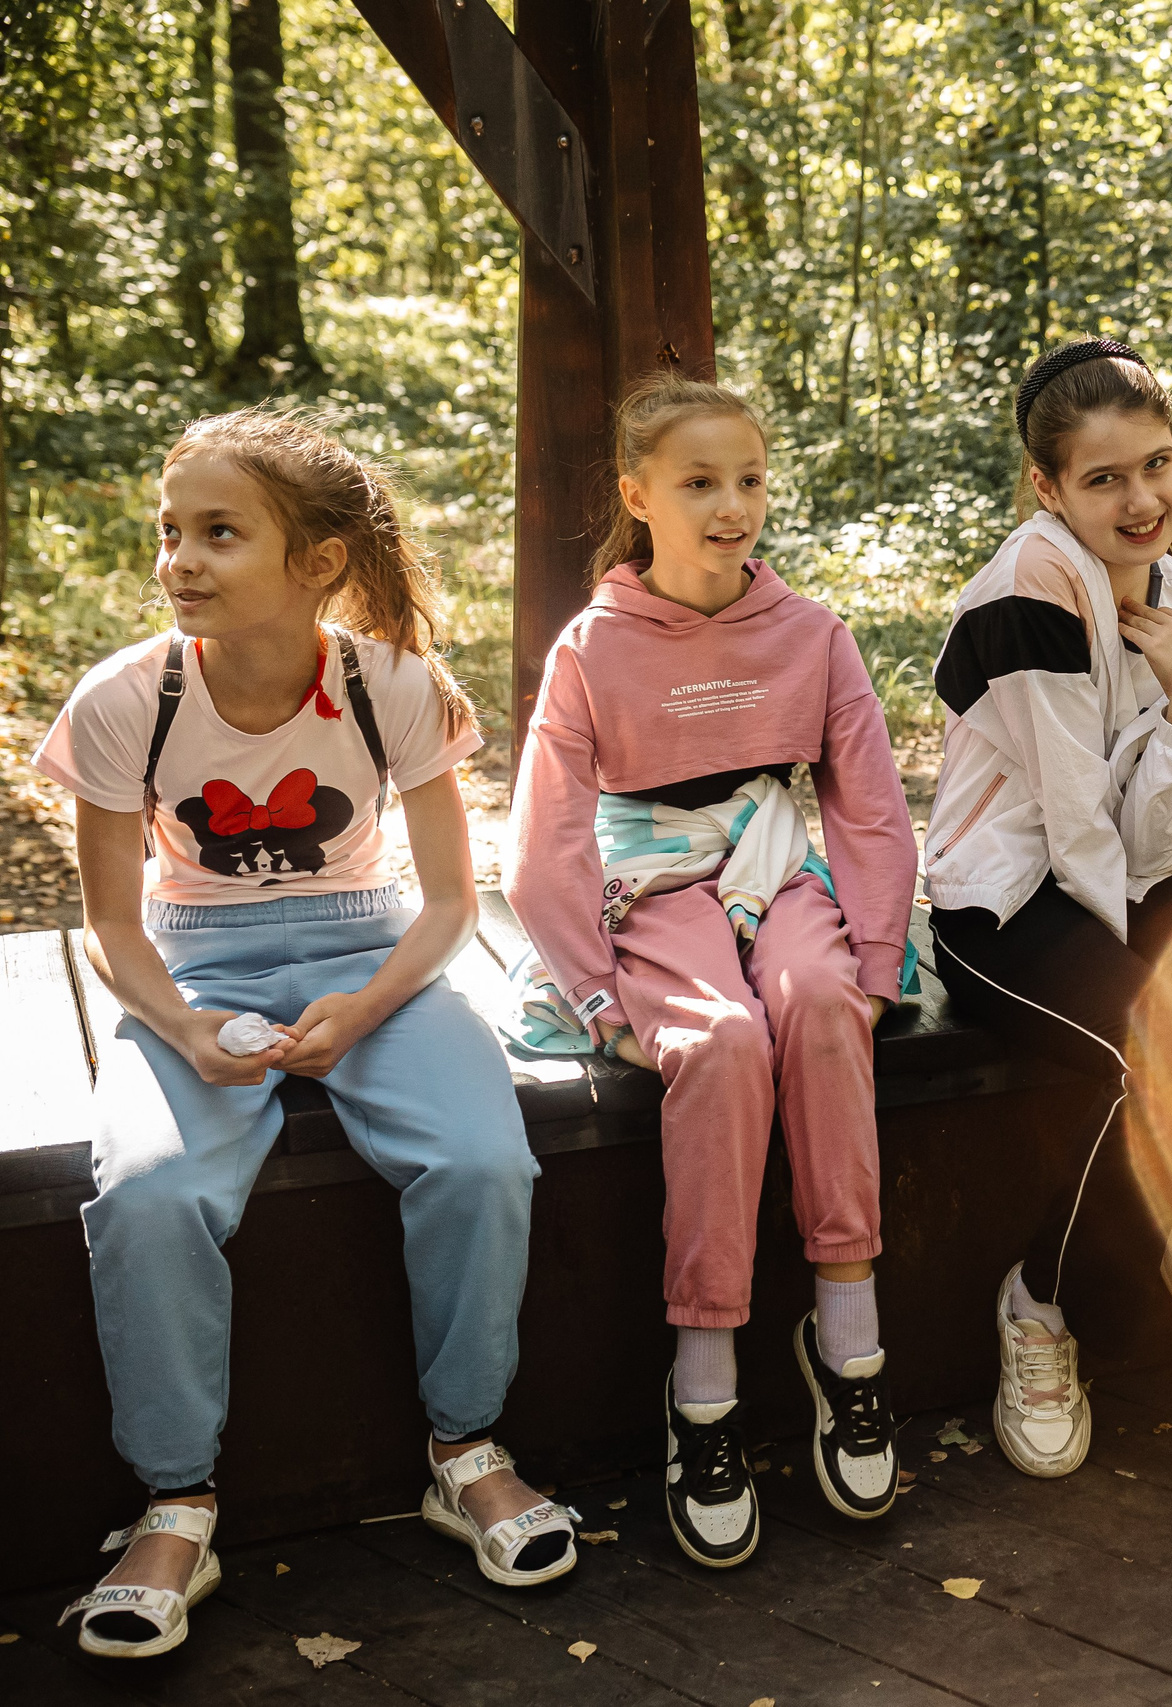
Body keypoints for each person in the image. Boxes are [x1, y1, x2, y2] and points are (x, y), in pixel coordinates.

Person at [40, 409, 563, 1656]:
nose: (180, 560)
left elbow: (446, 903)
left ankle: (465, 1446)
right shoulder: (127, 698)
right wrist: (191, 1022)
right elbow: (112, 927)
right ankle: (175, 1500)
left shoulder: (394, 690)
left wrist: (368, 1007)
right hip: (195, 965)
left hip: (371, 956)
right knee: (154, 1193)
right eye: (171, 532)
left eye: (220, 534)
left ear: (318, 561)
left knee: (485, 1159)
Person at [508, 372, 916, 1567]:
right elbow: (544, 840)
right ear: (640, 497)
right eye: (698, 482)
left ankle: (851, 1340)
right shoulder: (592, 650)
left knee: (821, 1007)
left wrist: (879, 957)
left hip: (774, 864)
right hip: (650, 891)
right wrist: (594, 993)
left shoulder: (812, 635)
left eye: (747, 478)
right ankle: (706, 1378)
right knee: (723, 1041)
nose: (730, 504)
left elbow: (874, 813)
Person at [923, 339, 1172, 1478]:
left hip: (1133, 883)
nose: (1142, 500)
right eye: (1103, 479)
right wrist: (1152, 993)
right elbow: (1077, 827)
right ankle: (1041, 1309)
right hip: (1006, 904)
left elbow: (1157, 846)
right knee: (1156, 1063)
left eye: (1158, 465)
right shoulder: (1026, 594)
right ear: (1047, 488)